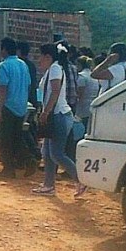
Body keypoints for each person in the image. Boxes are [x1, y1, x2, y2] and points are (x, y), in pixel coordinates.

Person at [32, 43, 86, 198]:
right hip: (57, 115)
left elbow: (55, 92)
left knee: (56, 153)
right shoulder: (53, 68)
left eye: (40, 56)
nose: (39, 60)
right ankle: (49, 185)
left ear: (48, 56)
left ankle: (80, 180)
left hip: (58, 115)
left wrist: (46, 112)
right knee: (47, 152)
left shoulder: (55, 69)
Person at [0, 37, 34, 178]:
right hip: (21, 106)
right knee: (17, 138)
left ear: (4, 49)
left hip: (8, 106)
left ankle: (8, 169)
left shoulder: (3, 65)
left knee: (5, 139)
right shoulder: (23, 64)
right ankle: (29, 160)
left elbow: (3, 90)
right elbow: (28, 85)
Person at [76, 56, 99, 129]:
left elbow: (80, 94)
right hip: (93, 104)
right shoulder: (93, 75)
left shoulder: (82, 76)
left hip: (83, 107)